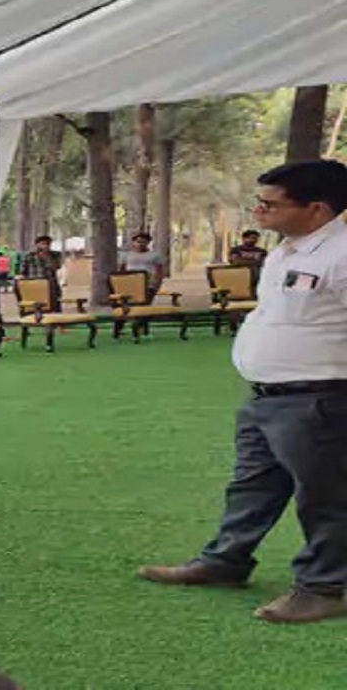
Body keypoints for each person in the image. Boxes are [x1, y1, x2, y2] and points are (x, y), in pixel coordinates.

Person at [137, 159, 347, 624]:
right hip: (266, 397)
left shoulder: (341, 255)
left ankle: (325, 587)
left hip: (320, 399)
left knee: (325, 497)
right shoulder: (285, 252)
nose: (259, 211)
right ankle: (225, 561)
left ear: (316, 209)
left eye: (271, 203)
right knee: (252, 486)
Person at [19, 235, 64, 308]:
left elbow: (56, 267)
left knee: (54, 306)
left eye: (48, 244)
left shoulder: (55, 254)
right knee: (34, 307)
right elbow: (22, 271)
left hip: (51, 285)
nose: (46, 246)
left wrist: (47, 257)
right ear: (37, 245)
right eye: (43, 244)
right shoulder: (29, 255)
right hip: (34, 284)